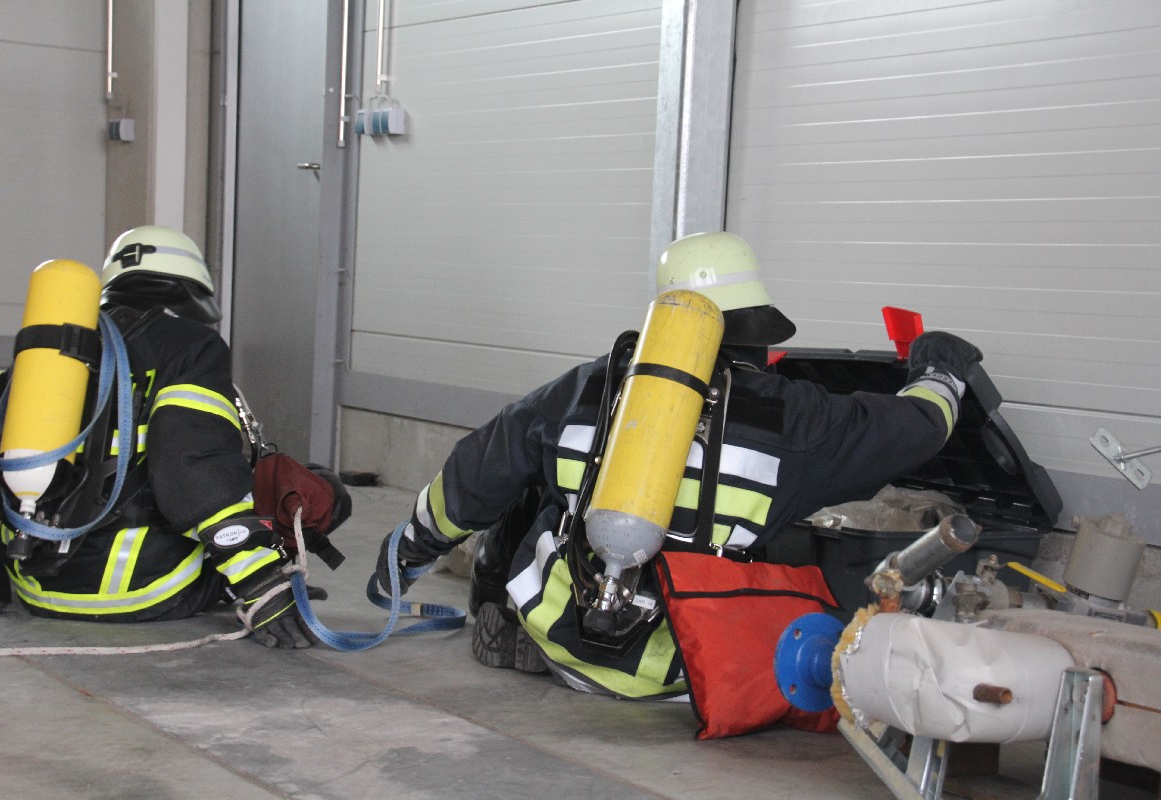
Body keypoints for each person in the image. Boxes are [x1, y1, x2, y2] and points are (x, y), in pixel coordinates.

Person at [376, 230, 983, 697]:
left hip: (559, 635)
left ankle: (511, 618)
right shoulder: (796, 419)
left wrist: (405, 556)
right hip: (687, 667)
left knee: (532, 479)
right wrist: (941, 370)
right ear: (758, 332)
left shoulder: (584, 388)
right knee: (786, 526)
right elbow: (918, 427)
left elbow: (473, 476)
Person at [0, 225, 322, 649]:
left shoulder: (61, 347)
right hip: (146, 592)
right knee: (318, 490)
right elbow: (195, 466)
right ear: (191, 289)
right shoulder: (190, 345)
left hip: (36, 587)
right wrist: (260, 582)